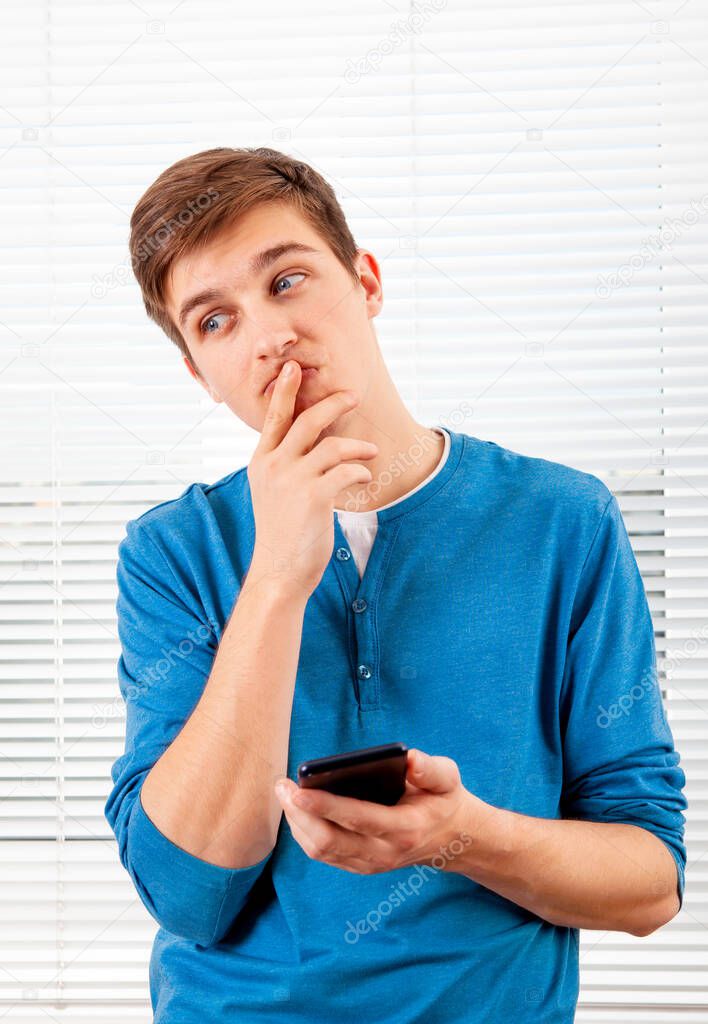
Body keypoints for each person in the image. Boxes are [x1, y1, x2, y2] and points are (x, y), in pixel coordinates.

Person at [105, 147, 687, 1023]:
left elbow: (648, 885)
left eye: (288, 279)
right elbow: (188, 896)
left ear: (366, 281)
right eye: (214, 322)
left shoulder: (563, 521)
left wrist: (461, 835)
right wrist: (275, 580)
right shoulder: (172, 553)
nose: (267, 336)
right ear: (198, 369)